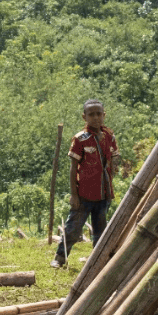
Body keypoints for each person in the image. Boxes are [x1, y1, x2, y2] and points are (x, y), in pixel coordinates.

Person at [51, 99, 119, 268]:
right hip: (84, 195)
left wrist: (115, 164)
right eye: (91, 114)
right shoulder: (80, 139)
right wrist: (74, 195)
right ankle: (60, 257)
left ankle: (97, 262)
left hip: (104, 194)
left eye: (99, 114)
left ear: (104, 115)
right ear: (84, 117)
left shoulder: (110, 137)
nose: (95, 118)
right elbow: (73, 169)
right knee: (73, 229)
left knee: (100, 231)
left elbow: (115, 156)